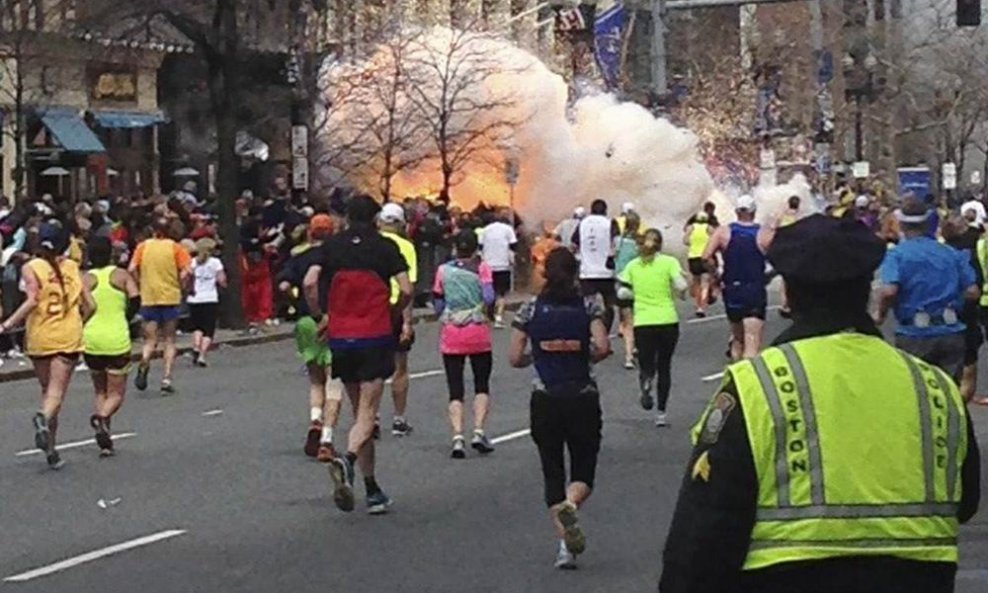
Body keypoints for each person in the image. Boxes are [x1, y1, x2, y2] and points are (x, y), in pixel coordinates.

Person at [660, 214, 981, 593]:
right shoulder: (935, 387)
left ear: (790, 296)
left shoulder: (757, 386)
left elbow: (704, 531)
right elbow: (966, 501)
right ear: (867, 288)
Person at [304, 195, 413, 515]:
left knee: (358, 413)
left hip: (341, 336)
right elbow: (406, 289)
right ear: (376, 218)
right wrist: (393, 312)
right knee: (368, 414)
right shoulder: (385, 247)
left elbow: (310, 281)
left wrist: (321, 316)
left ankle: (372, 488)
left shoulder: (331, 247)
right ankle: (348, 460)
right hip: (375, 334)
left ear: (347, 217)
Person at [509, 248, 611, 569]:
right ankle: (572, 503)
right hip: (582, 395)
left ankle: (565, 548)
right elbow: (603, 346)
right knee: (583, 470)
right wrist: (586, 354)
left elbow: (514, 357)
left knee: (552, 470)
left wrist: (535, 357)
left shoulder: (530, 309)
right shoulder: (589, 305)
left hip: (545, 398)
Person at [0, 224, 95, 469]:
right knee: (56, 393)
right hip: (67, 335)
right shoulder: (73, 268)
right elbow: (91, 305)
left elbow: (32, 300)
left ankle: (51, 450)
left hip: (39, 335)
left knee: (47, 392)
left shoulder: (31, 267)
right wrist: (80, 321)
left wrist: (8, 323)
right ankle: (43, 421)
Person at [876, 197, 979, 383]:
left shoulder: (897, 255)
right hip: (951, 330)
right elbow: (972, 291)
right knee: (950, 391)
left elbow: (889, 291)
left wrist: (880, 314)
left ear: (902, 225)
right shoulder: (950, 253)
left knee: (918, 392)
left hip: (914, 334)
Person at [279, 214, 342, 461]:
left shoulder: (299, 256)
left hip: (305, 321)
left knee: (315, 379)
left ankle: (315, 419)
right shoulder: (337, 258)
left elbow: (284, 285)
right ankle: (327, 438)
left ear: (310, 232)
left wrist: (294, 303)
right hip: (332, 320)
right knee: (333, 380)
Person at [433, 230, 497, 458]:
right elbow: (489, 297)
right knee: (481, 384)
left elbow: (438, 299)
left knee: (455, 388)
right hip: (477, 331)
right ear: (475, 248)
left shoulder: (443, 270)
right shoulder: (481, 268)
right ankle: (478, 431)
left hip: (452, 332)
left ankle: (457, 436)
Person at [618, 229, 688, 426]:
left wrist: (634, 296)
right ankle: (661, 414)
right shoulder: (669, 262)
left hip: (644, 322)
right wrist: (681, 293)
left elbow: (623, 291)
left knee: (647, 363)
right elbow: (681, 285)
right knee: (665, 366)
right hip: (667, 320)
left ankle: (646, 381)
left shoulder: (633, 266)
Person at [82, 237, 139, 458]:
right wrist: (125, 317)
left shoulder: (85, 279)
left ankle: (105, 438)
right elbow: (135, 300)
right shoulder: (121, 275)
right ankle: (102, 418)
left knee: (100, 389)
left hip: (92, 338)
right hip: (116, 337)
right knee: (116, 393)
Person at [703, 195, 773, 360]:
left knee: (737, 338)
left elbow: (705, 257)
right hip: (755, 289)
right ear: (754, 212)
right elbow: (781, 259)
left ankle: (735, 372)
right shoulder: (764, 234)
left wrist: (716, 274)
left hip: (732, 288)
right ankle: (748, 379)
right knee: (752, 339)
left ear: (736, 211)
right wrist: (769, 276)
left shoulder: (723, 232)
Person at [129, 217, 192, 394]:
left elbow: (132, 268)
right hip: (170, 297)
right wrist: (181, 285)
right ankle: (166, 377)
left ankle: (145, 360)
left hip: (149, 297)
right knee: (169, 339)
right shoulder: (176, 247)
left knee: (149, 339)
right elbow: (187, 271)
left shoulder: (143, 246)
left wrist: (140, 282)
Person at [378, 203, 418, 437]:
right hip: (396, 308)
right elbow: (408, 288)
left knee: (372, 366)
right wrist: (407, 321)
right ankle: (399, 418)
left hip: (373, 309)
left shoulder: (371, 243)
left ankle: (371, 416)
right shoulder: (406, 247)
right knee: (400, 366)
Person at [943, 216, 983, 403]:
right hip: (967, 314)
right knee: (968, 364)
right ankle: (960, 407)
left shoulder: (939, 254)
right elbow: (974, 290)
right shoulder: (968, 254)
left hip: (940, 317)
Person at [572, 199, 620, 332]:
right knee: (609, 304)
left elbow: (574, 243)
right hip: (606, 271)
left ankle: (589, 331)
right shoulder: (610, 222)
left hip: (587, 271)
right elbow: (616, 244)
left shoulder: (583, 223)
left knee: (587, 304)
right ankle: (606, 331)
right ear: (605, 210)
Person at [186, 238, 226, 367]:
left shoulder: (192, 262)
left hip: (194, 298)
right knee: (208, 329)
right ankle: (202, 355)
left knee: (197, 327)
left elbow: (187, 278)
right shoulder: (215, 263)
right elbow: (221, 280)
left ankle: (196, 347)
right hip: (210, 298)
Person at [480, 207, 518, 329]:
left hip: (487, 266)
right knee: (501, 293)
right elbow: (513, 247)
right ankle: (498, 318)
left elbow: (480, 248)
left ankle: (486, 315)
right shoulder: (508, 230)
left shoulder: (485, 230)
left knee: (487, 291)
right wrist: (512, 260)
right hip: (503, 265)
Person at [614, 212, 641, 368]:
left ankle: (628, 356)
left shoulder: (618, 242)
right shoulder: (639, 244)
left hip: (621, 285)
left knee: (627, 322)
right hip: (637, 286)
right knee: (637, 320)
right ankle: (637, 347)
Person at [683, 211, 713, 318]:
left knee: (696, 282)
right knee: (705, 283)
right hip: (705, 257)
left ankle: (697, 304)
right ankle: (702, 307)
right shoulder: (709, 228)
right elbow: (714, 240)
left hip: (693, 257)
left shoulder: (691, 228)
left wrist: (693, 243)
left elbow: (685, 241)